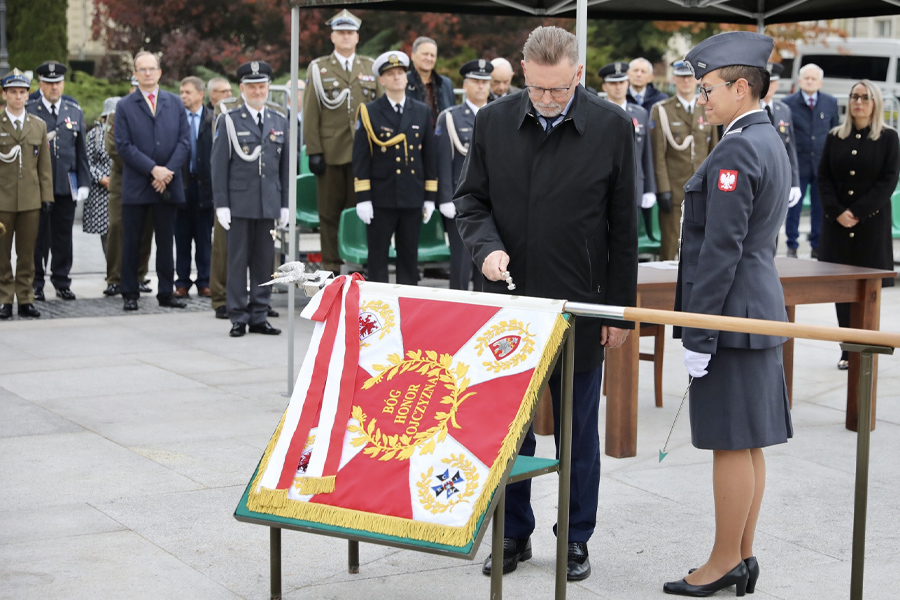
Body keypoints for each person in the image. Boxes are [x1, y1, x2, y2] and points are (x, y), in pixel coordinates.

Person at [455, 26, 637, 581]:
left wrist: (618, 309)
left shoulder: (610, 126)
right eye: (536, 90)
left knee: (577, 430)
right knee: (509, 429)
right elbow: (470, 201)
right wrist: (486, 248)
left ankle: (576, 536)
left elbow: (623, 226)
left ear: (577, 76)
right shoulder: (492, 121)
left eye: (558, 90)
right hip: (508, 305)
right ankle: (512, 532)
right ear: (523, 73)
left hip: (578, 303)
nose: (547, 101)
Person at [665, 31, 794, 597]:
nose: (701, 98)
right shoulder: (766, 136)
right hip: (754, 310)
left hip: (732, 318)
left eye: (709, 87)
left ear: (742, 87)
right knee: (748, 443)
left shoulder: (739, 147)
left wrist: (700, 331)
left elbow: (722, 249)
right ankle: (741, 555)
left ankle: (722, 562)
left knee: (729, 443)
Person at [817, 80, 899, 370]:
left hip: (870, 227)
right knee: (842, 291)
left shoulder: (888, 138)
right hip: (837, 227)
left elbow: (888, 181)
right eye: (854, 96)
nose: (858, 102)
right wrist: (837, 212)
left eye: (865, 97)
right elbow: (824, 178)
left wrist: (858, 212)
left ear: (875, 102)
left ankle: (865, 347)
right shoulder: (835, 136)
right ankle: (847, 350)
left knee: (868, 291)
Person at [211, 60, 289, 337]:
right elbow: (219, 165)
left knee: (264, 262)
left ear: (268, 87)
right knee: (237, 261)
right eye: (252, 86)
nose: (258, 91)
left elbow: (285, 168)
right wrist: (221, 203)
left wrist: (285, 204)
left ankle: (259, 314)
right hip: (239, 203)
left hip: (268, 202)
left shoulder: (279, 120)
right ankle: (238, 316)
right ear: (242, 88)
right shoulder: (229, 120)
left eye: (262, 86)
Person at [303, 9, 382, 273]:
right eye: (341, 33)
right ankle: (331, 268)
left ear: (357, 37)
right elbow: (311, 111)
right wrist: (313, 150)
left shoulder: (370, 67)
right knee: (329, 214)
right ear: (333, 36)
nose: (346, 37)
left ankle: (359, 266)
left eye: (350, 33)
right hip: (330, 151)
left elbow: (379, 110)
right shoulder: (319, 68)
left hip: (364, 153)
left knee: (361, 211)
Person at [114, 51, 191, 312]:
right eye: (142, 69)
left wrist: (166, 171)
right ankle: (130, 292)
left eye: (151, 68)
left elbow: (184, 141)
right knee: (132, 241)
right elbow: (123, 146)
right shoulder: (124, 106)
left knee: (166, 241)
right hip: (138, 184)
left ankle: (166, 292)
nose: (147, 73)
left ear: (159, 72)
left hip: (167, 184)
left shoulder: (175, 103)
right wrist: (153, 170)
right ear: (134, 74)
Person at [352, 51, 437, 286]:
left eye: (401, 73)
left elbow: (429, 156)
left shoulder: (421, 110)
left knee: (409, 259)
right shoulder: (369, 111)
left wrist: (430, 197)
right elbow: (361, 158)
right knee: (377, 258)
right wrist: (363, 198)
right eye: (391, 74)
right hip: (381, 197)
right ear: (381, 80)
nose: (397, 77)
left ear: (407, 77)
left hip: (412, 196)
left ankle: (407, 310)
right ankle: (376, 312)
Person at [25, 60, 90, 302]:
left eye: (58, 83)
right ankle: (36, 282)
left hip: (66, 184)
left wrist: (84, 182)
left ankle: (62, 281)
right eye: (50, 83)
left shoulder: (73, 108)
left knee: (64, 236)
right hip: (38, 187)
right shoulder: (30, 109)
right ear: (40, 84)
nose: (55, 88)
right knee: (37, 237)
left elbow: (81, 149)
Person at [649, 60, 718, 260]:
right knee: (671, 247)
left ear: (697, 81)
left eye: (690, 77)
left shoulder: (708, 108)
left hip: (702, 190)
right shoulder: (662, 109)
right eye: (681, 77)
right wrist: (663, 190)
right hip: (675, 189)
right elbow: (658, 155)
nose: (686, 81)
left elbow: (714, 150)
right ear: (673, 79)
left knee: (701, 246)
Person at [435, 59, 492, 290]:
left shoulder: (498, 114)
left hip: (492, 200)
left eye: (484, 82)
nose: (481, 86)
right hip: (461, 200)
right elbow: (443, 161)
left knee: (488, 260)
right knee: (460, 261)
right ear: (465, 85)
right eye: (476, 81)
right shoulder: (450, 117)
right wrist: (445, 198)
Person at [0, 69, 53, 319]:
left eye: (22, 92)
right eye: (13, 92)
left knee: (27, 253)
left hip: (30, 200)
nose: (18, 97)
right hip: (3, 200)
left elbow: (44, 166)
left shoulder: (38, 126)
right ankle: (4, 299)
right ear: (4, 95)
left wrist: (47, 197)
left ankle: (25, 299)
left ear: (27, 95)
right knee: (1, 253)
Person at [782, 64, 840, 258]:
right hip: (797, 165)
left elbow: (834, 132)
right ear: (799, 81)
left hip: (822, 166)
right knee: (793, 208)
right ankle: (792, 245)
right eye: (806, 78)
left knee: (820, 207)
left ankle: (817, 244)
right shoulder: (788, 103)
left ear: (820, 82)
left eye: (813, 79)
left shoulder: (830, 103)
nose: (809, 81)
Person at [103, 77, 153, 298]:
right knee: (117, 227)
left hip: (148, 181)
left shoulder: (155, 114)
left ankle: (139, 276)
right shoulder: (118, 112)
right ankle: (114, 278)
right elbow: (113, 147)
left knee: (145, 230)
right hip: (123, 180)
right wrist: (144, 166)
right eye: (135, 86)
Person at [600, 62, 656, 229]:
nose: (618, 87)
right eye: (612, 83)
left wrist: (649, 188)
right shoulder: (597, 113)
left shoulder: (640, 113)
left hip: (634, 187)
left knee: (630, 245)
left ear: (627, 83)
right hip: (603, 189)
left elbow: (646, 153)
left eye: (622, 82)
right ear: (604, 86)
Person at [174, 76, 214, 298]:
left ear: (201, 94)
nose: (183, 96)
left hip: (204, 187)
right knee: (181, 237)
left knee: (203, 237)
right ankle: (181, 282)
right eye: (181, 92)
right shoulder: (177, 119)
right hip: (181, 185)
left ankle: (204, 281)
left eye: (188, 92)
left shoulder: (213, 120)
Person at [761, 62, 802, 218]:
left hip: (777, 178)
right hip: (756, 175)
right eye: (765, 82)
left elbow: (790, 148)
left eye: (772, 82)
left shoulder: (783, 110)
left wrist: (795, 183)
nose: (768, 86)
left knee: (774, 227)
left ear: (777, 84)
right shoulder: (748, 109)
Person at [84, 97, 117, 256]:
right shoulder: (95, 135)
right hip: (102, 191)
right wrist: (101, 178)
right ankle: (112, 271)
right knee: (107, 232)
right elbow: (87, 162)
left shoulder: (129, 132)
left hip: (123, 187)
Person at [405, 36, 456, 122]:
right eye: (425, 54)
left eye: (432, 55)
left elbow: (453, 115)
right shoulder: (403, 82)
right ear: (413, 55)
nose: (429, 58)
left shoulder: (445, 84)